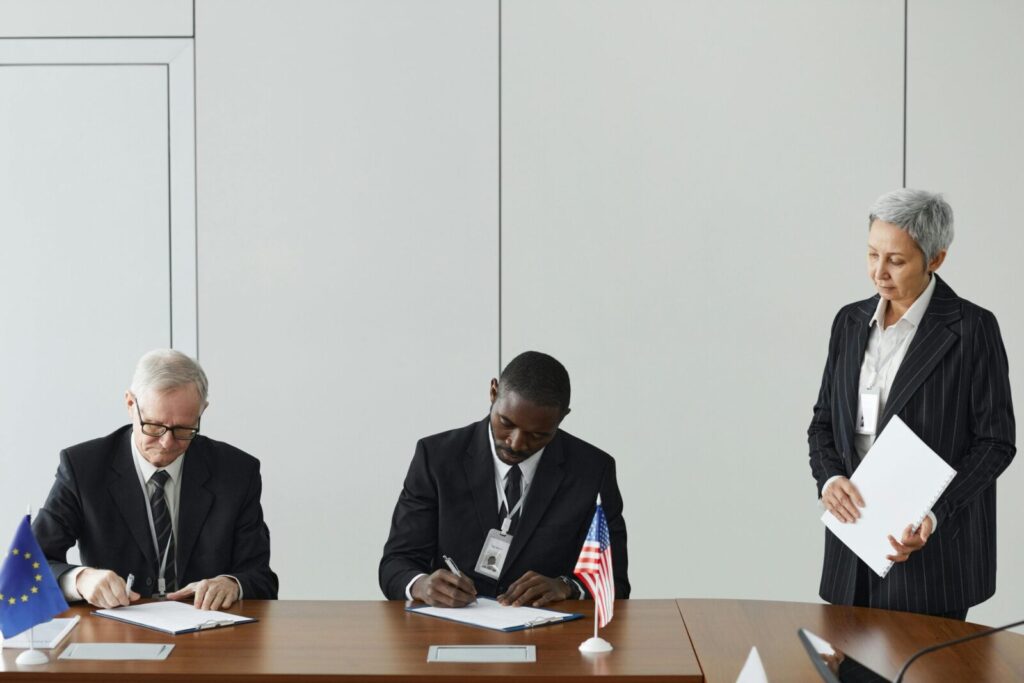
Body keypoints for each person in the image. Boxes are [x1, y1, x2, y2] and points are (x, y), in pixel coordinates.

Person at [808, 189, 1016, 620]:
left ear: (936, 259)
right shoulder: (848, 322)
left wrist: (937, 513)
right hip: (851, 551)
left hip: (932, 559)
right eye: (871, 255)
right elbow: (823, 423)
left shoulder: (973, 328)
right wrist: (830, 480)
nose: (879, 273)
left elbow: (996, 442)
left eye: (896, 261)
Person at [379, 351, 629, 607]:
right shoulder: (436, 458)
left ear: (562, 417)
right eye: (505, 423)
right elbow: (396, 563)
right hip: (453, 631)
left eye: (538, 435)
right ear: (493, 391)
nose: (516, 443)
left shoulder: (593, 471)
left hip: (550, 634)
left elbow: (616, 581)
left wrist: (567, 586)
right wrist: (421, 584)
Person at [33, 349, 278, 610]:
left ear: (201, 411)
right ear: (130, 405)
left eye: (184, 429)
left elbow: (261, 578)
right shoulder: (83, 468)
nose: (167, 442)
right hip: (117, 634)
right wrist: (80, 579)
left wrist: (232, 583)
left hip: (207, 633)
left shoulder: (237, 472)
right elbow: (29, 565)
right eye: (153, 426)